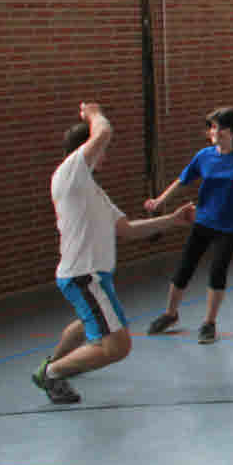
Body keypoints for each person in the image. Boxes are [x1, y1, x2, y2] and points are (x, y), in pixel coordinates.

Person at [33, 102, 196, 404]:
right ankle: (52, 372)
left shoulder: (91, 190)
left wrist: (172, 220)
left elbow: (127, 229)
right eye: (101, 150)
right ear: (85, 148)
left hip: (93, 275)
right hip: (84, 275)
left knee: (86, 323)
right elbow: (104, 132)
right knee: (118, 345)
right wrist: (92, 113)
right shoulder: (70, 172)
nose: (104, 155)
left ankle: (55, 362)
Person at [143, 107, 233, 344]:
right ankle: (170, 314)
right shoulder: (204, 156)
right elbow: (182, 180)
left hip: (230, 226)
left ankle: (209, 323)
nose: (215, 132)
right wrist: (160, 200)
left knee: (217, 271)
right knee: (184, 268)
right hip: (204, 221)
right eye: (212, 127)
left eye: (221, 128)